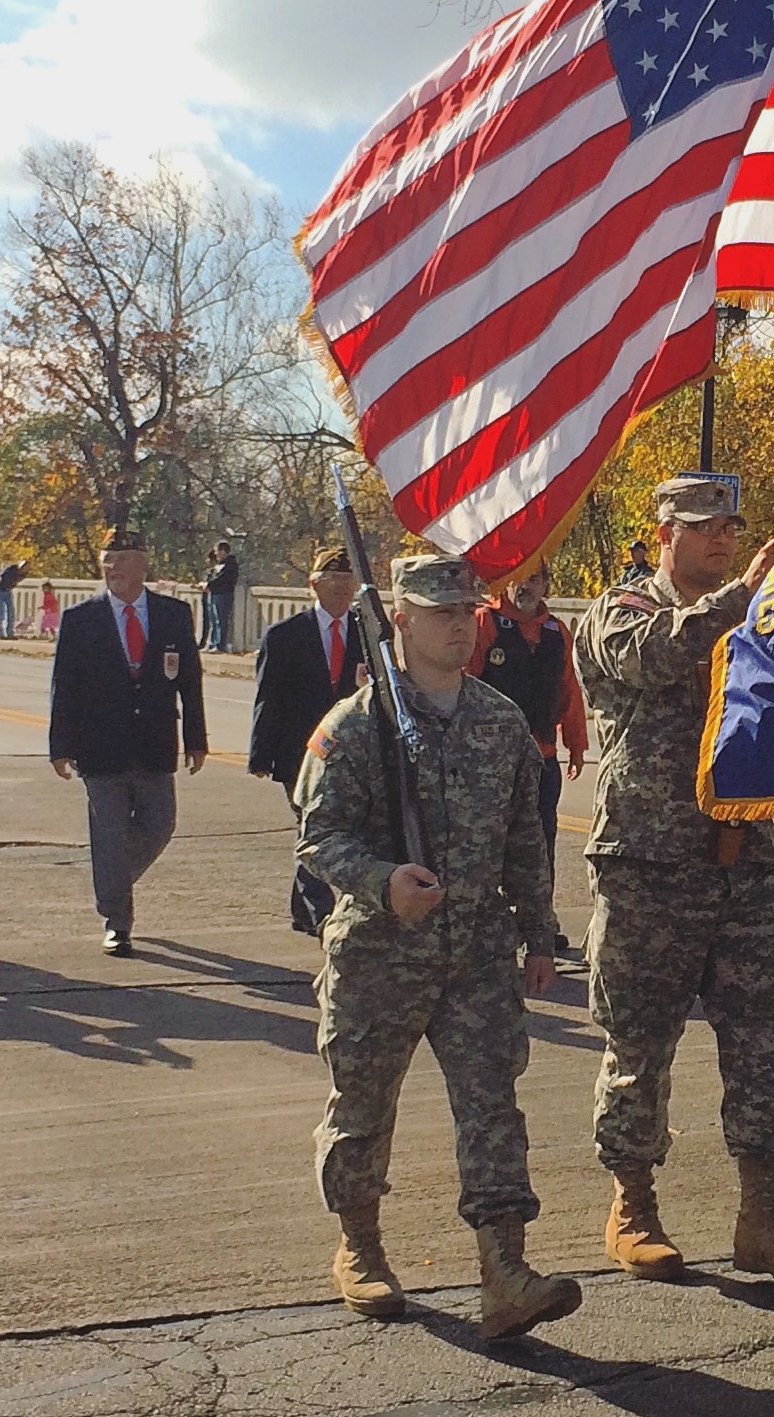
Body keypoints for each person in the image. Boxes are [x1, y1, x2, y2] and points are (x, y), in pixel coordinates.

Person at [298, 553, 580, 1341]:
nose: (458, 625)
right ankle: (359, 1245)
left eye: (466, 611)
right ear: (400, 619)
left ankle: (505, 1271)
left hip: (477, 952)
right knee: (362, 1106)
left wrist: (537, 931)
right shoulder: (354, 726)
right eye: (439, 612)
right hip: (380, 951)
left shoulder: (497, 721)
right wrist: (383, 878)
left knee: (493, 1107)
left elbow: (528, 837)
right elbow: (317, 838)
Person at [575, 477, 774, 1286]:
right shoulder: (619, 611)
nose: (719, 540)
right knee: (640, 1042)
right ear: (663, 533)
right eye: (703, 527)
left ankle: (761, 1213)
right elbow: (656, 657)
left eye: (730, 528)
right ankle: (633, 1203)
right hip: (649, 865)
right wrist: (740, 597)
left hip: (745, 857)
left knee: (765, 1040)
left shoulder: (756, 614)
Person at [48, 526, 207, 955]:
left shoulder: (174, 614)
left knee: (160, 825)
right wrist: (59, 746)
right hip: (99, 749)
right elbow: (64, 686)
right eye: (107, 559)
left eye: (122, 558)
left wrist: (196, 738)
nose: (113, 567)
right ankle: (117, 920)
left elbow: (190, 681)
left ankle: (110, 881)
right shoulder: (81, 620)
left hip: (155, 744)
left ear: (143, 563)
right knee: (111, 834)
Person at [469, 563, 587, 953]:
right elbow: (465, 684)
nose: (527, 586)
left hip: (542, 757)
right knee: (489, 843)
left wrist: (577, 743)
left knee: (540, 842)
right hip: (490, 760)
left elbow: (568, 688)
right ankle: (488, 924)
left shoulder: (556, 631)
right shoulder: (484, 622)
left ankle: (540, 923)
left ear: (547, 585)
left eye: (535, 578)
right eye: (519, 578)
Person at [249, 545, 366, 935]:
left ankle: (302, 908)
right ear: (314, 585)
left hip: (350, 751)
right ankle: (321, 913)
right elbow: (268, 697)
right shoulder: (284, 636)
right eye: (332, 580)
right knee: (312, 823)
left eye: (347, 581)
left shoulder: (366, 631)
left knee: (328, 826)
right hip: (298, 752)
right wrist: (261, 754)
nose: (340, 588)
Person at [204, 541, 240, 653]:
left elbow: (224, 580)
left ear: (224, 551)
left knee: (221, 620)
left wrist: (210, 584)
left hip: (224, 594)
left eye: (217, 552)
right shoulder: (217, 565)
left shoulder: (231, 565)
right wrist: (206, 583)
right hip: (214, 594)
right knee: (213, 620)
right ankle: (212, 643)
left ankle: (220, 645)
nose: (216, 555)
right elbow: (211, 576)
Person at [0, 559, 25, 639]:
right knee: (0, 611)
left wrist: (11, 585)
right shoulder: (11, 569)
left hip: (7, 590)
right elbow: (1, 577)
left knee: (11, 611)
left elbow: (15, 583)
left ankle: (10, 633)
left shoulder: (24, 574)